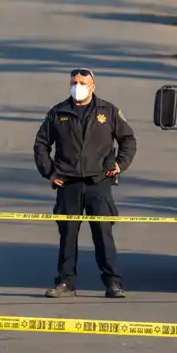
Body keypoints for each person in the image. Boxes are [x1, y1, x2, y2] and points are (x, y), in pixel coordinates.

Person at [33, 68, 137, 299]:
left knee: (103, 234)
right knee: (68, 235)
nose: (77, 86)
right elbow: (41, 145)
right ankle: (65, 282)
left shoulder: (108, 112)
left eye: (82, 82)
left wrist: (120, 164)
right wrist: (50, 172)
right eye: (74, 82)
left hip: (98, 182)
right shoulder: (58, 112)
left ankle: (113, 283)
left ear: (93, 86)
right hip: (68, 183)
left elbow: (128, 140)